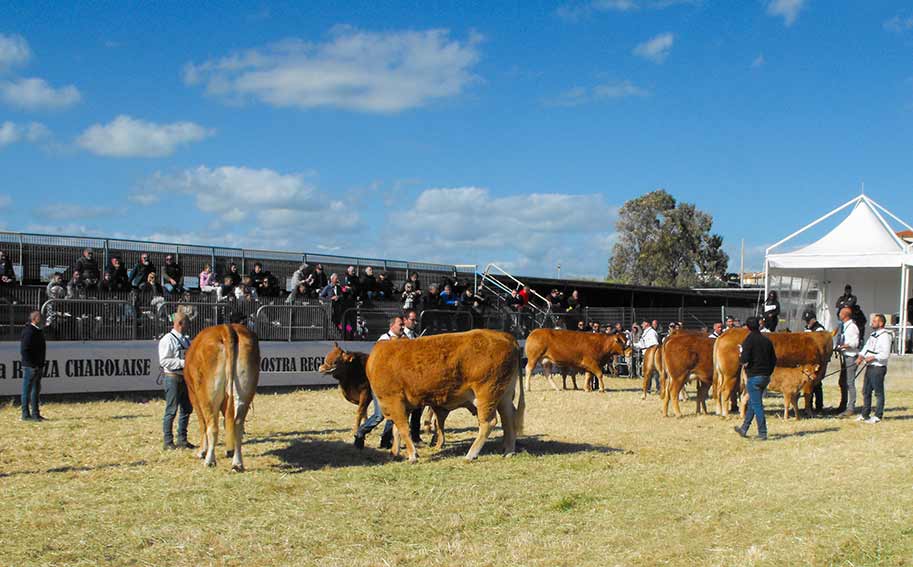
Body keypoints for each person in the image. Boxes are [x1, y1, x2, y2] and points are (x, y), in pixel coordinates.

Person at [354, 316, 404, 449]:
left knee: (394, 414)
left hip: (394, 384)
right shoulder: (383, 340)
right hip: (379, 383)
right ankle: (360, 432)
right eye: (400, 324)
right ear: (392, 325)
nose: (402, 327)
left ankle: (385, 440)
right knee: (379, 415)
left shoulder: (404, 339)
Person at [734, 316, 776, 441]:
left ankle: (762, 432)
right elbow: (773, 359)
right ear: (759, 325)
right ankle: (744, 428)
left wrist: (741, 353)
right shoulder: (767, 341)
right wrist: (768, 372)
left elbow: (744, 360)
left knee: (757, 405)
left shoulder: (748, 341)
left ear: (747, 327)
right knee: (753, 403)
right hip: (765, 376)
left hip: (754, 376)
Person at [158, 311, 195, 449]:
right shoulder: (167, 339)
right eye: (187, 323)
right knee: (171, 410)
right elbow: (164, 361)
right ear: (180, 323)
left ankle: (182, 439)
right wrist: (184, 363)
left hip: (185, 378)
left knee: (186, 409)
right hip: (172, 378)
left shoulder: (186, 340)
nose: (189, 326)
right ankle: (168, 441)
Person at [856, 313, 892, 424]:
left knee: (878, 393)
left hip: (878, 368)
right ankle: (865, 414)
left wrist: (873, 357)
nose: (872, 323)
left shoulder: (885, 336)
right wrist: (861, 356)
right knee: (866, 391)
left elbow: (885, 354)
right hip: (869, 367)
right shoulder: (873, 335)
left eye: (875, 321)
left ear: (881, 323)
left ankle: (878, 415)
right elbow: (867, 347)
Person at [20, 311, 46, 421]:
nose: (44, 320)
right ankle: (25, 415)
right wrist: (32, 365)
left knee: (35, 390)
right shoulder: (29, 331)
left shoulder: (37, 331)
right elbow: (24, 350)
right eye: (41, 318)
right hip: (31, 366)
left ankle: (35, 414)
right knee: (27, 390)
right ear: (35, 319)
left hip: (37, 365)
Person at [835, 306, 860, 416]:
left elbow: (855, 343)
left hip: (851, 357)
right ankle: (843, 405)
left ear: (845, 315)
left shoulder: (852, 327)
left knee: (850, 383)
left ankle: (851, 407)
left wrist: (843, 346)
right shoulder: (844, 326)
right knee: (842, 382)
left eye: (840, 313)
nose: (839, 315)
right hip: (845, 356)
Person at [803, 310, 827, 412]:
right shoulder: (807, 328)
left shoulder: (819, 329)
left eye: (809, 320)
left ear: (813, 319)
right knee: (808, 382)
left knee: (817, 383)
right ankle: (809, 405)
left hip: (817, 358)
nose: (807, 322)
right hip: (807, 357)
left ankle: (819, 406)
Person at [636, 320, 660, 391]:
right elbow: (641, 344)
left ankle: (659, 388)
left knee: (655, 373)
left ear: (647, 323)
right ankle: (648, 389)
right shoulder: (646, 332)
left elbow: (655, 344)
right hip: (646, 355)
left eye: (643, 323)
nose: (641, 325)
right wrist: (633, 345)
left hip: (651, 356)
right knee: (648, 373)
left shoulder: (652, 332)